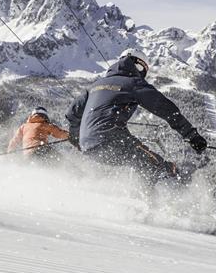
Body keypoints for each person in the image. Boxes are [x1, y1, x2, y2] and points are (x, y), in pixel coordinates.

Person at [66, 48, 207, 183]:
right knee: (158, 166)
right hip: (111, 139)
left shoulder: (94, 86)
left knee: (139, 163)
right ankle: (157, 203)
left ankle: (135, 198)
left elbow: (72, 114)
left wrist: (77, 139)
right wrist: (191, 135)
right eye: (143, 70)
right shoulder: (133, 83)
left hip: (88, 146)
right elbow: (165, 108)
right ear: (138, 66)